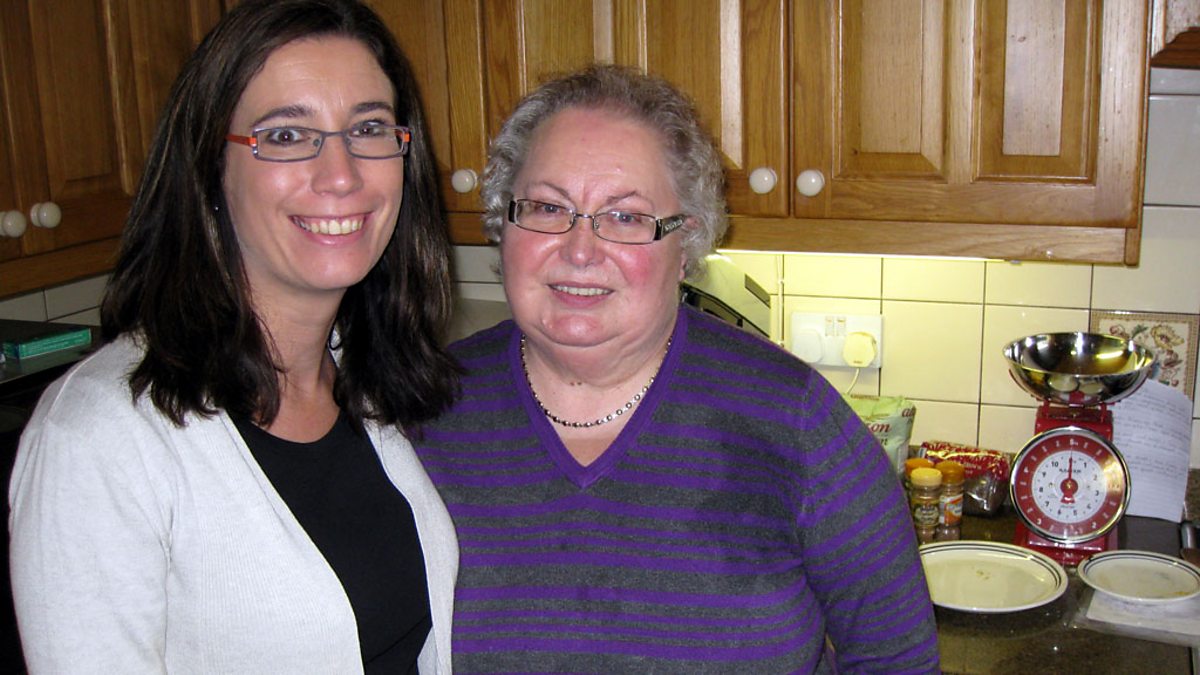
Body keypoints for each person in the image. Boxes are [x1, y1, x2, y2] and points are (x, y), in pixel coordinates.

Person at [414, 64, 940, 673]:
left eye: (626, 217)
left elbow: (896, 655)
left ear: (685, 244)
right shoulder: (424, 411)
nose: (580, 250)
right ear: (503, 224)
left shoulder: (795, 419)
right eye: (547, 207)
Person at [7, 0, 458, 672]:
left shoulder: (367, 382)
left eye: (367, 127)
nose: (341, 174)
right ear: (209, 167)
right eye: (286, 135)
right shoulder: (97, 438)